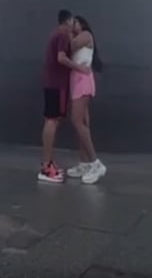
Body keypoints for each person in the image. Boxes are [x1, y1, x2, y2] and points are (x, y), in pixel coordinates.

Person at [38, 9, 89, 183]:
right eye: (72, 21)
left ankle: (48, 163)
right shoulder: (62, 35)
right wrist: (79, 68)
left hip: (51, 83)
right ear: (67, 21)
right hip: (56, 85)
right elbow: (61, 57)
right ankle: (46, 167)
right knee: (52, 121)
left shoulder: (56, 34)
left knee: (52, 120)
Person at [67, 15, 106, 185]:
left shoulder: (85, 35)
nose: (72, 25)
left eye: (74, 22)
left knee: (77, 121)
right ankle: (84, 163)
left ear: (81, 23)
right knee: (82, 122)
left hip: (82, 81)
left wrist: (68, 31)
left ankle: (95, 163)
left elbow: (71, 46)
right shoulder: (78, 36)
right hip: (76, 81)